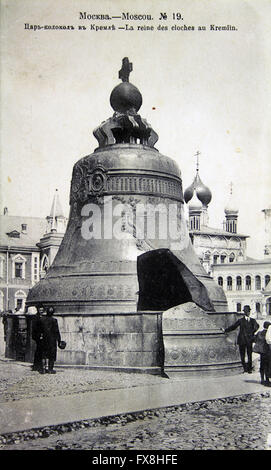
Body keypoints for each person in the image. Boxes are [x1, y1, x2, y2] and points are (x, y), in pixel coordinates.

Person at [223, 305, 259, 373]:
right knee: (242, 355)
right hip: (242, 340)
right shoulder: (241, 320)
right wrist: (225, 330)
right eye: (247, 311)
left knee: (249, 355)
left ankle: (249, 369)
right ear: (244, 312)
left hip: (249, 340)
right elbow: (233, 327)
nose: (248, 312)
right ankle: (244, 368)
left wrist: (252, 332)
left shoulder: (252, 320)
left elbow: (257, 326)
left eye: (248, 311)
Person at [41, 306, 61, 374]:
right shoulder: (54, 320)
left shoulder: (42, 320)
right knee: (51, 355)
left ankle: (43, 369)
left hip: (44, 339)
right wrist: (59, 341)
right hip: (52, 340)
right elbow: (56, 331)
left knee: (43, 355)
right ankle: (50, 369)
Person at [31, 304, 45, 373]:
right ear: (38, 310)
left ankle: (38, 365)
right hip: (38, 336)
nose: (41, 311)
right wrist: (39, 335)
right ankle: (37, 366)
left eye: (42, 310)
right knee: (38, 351)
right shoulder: (36, 317)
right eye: (40, 310)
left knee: (39, 351)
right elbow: (35, 328)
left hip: (42, 336)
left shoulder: (43, 317)